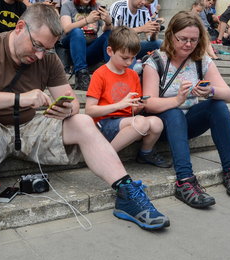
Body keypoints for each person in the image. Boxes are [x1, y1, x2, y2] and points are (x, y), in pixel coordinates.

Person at [0, 4, 169, 260]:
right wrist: (19, 99)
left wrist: (67, 108)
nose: (40, 55)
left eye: (47, 49)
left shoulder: (47, 58)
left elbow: (74, 103)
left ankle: (126, 192)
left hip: (30, 128)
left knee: (83, 120)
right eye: (37, 46)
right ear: (20, 28)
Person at [142, 11, 230, 210]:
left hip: (188, 124)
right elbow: (149, 104)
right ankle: (185, 181)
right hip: (163, 126)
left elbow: (229, 95)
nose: (188, 45)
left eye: (194, 40)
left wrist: (210, 91)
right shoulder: (155, 61)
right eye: (183, 39)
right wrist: (177, 100)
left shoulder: (202, 60)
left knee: (219, 105)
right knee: (174, 111)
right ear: (171, 35)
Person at [85, 26, 171, 168]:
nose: (129, 63)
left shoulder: (132, 75)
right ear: (110, 51)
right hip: (104, 123)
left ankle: (145, 153)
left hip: (127, 121)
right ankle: (105, 156)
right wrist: (120, 105)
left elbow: (133, 110)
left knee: (157, 123)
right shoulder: (100, 74)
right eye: (125, 58)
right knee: (142, 123)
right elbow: (89, 111)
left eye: (133, 58)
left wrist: (138, 107)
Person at [60, 0, 112, 91]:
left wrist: (108, 22)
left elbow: (105, 30)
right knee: (77, 32)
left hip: (90, 49)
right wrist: (87, 20)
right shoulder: (67, 6)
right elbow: (66, 28)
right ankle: (81, 75)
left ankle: (111, 72)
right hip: (73, 49)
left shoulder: (97, 6)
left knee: (109, 33)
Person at [109, 0, 161, 65]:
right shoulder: (119, 6)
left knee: (159, 43)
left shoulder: (144, 11)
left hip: (135, 46)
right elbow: (115, 33)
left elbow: (149, 39)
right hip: (119, 46)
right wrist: (141, 29)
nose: (144, 2)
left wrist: (154, 32)